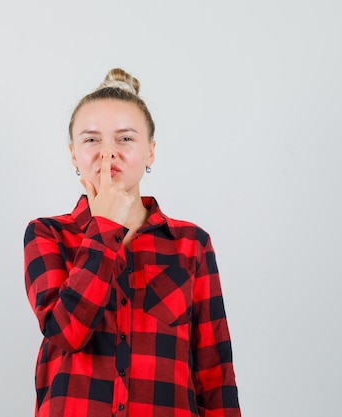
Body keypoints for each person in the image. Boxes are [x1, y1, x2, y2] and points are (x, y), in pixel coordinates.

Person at [23, 68, 240, 417]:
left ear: (150, 151)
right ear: (73, 153)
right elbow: (67, 333)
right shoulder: (47, 234)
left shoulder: (192, 244)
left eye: (125, 139)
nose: (108, 154)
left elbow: (215, 375)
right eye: (91, 140)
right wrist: (104, 226)